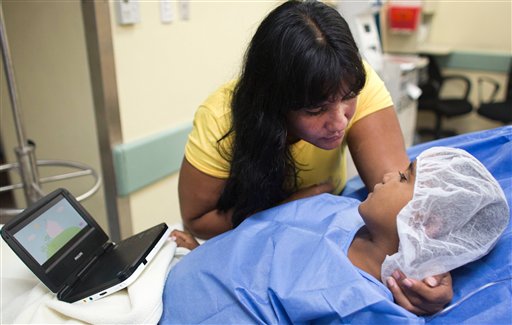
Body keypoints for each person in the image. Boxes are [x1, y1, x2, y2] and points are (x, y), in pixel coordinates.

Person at [177, 0, 451, 314]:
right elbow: (197, 220)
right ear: (275, 103)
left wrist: (433, 263)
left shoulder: (353, 82)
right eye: (315, 109)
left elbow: (402, 209)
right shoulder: (221, 119)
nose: (340, 122)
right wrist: (290, 207)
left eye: (348, 99)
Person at [165, 147, 509, 323]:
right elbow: (251, 246)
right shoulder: (335, 208)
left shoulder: (368, 306)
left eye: (405, 178)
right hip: (170, 282)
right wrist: (201, 256)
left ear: (427, 221)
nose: (390, 175)